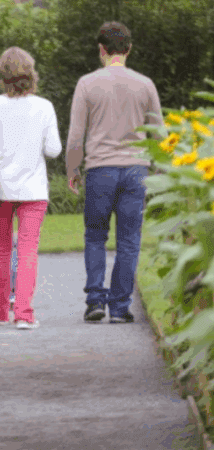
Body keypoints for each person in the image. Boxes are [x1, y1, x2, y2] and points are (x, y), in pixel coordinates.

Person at [66, 21, 163, 324]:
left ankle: (95, 301)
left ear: (101, 50)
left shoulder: (87, 83)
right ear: (129, 49)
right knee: (129, 240)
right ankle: (120, 306)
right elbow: (159, 134)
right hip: (137, 171)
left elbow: (75, 136)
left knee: (95, 236)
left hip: (100, 170)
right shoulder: (145, 84)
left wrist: (72, 170)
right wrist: (159, 170)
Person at [0, 47, 62, 330]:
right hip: (34, 190)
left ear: (3, 75)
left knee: (2, 250)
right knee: (27, 251)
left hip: (0, 189)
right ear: (31, 74)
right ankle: (24, 314)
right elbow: (53, 149)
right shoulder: (44, 106)